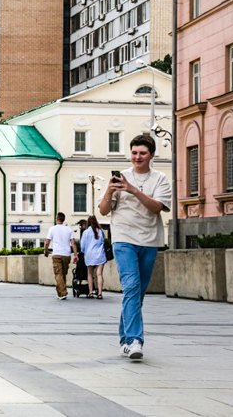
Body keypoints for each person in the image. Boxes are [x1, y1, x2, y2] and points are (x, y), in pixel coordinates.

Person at [99, 134, 171, 360]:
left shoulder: (160, 179)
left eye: (142, 153)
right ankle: (134, 340)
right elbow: (103, 211)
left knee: (137, 293)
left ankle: (124, 340)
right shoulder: (120, 177)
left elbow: (156, 207)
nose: (137, 157)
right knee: (131, 287)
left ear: (151, 155)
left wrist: (133, 190)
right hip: (123, 238)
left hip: (149, 240)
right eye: (134, 153)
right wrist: (110, 191)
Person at [43, 212, 78, 300]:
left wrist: (46, 251)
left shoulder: (52, 229)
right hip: (66, 254)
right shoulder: (69, 229)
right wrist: (75, 255)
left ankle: (63, 293)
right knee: (63, 274)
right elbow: (73, 243)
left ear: (56, 219)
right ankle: (60, 293)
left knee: (58, 274)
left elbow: (47, 242)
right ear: (63, 219)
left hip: (57, 254)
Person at [80, 215, 107, 299]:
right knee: (99, 274)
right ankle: (99, 293)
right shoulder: (100, 231)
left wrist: (84, 251)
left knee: (90, 274)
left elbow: (82, 246)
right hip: (100, 255)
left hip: (89, 255)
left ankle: (91, 292)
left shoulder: (85, 232)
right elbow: (103, 242)